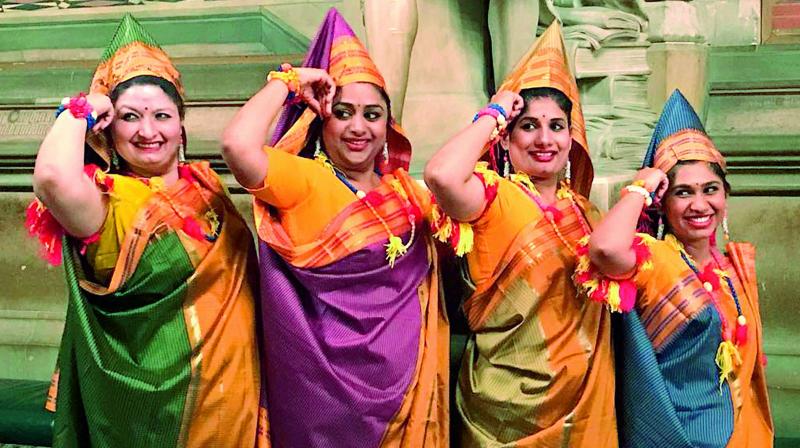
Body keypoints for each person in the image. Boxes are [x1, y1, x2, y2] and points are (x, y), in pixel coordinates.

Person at [27, 15, 264, 447]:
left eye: (161, 116)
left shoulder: (209, 189)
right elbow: (52, 178)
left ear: (181, 126)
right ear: (109, 131)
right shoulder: (109, 201)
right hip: (158, 417)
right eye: (130, 117)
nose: (148, 131)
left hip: (238, 400)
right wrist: (86, 106)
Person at [221, 8, 448, 447]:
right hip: (323, 400)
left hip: (409, 392)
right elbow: (236, 146)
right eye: (343, 112)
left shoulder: (407, 194)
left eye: (372, 114)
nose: (358, 127)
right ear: (321, 117)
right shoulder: (304, 180)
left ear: (389, 126)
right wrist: (287, 84)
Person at [424, 21, 617, 447]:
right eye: (528, 126)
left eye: (556, 126)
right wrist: (493, 111)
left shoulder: (587, 214)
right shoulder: (492, 196)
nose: (544, 138)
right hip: (502, 408)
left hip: (583, 402)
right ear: (506, 139)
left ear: (572, 138)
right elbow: (440, 175)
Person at [581, 89, 773, 447]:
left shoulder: (734, 266)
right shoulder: (655, 260)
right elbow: (604, 249)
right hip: (675, 434)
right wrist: (641, 186)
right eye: (683, 193)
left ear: (725, 198)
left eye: (710, 189)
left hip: (742, 434)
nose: (699, 204)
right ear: (663, 204)